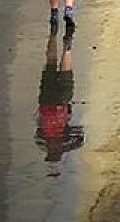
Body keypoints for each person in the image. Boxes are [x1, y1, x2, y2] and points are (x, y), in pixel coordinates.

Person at [35, 30, 83, 162]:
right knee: (50, 64)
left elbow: (80, 138)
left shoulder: (65, 142)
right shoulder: (42, 141)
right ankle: (53, 36)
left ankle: (67, 49)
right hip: (46, 101)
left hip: (62, 103)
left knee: (65, 73)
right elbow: (37, 130)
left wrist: (67, 146)